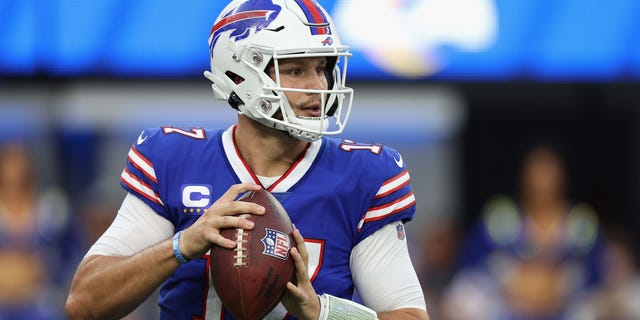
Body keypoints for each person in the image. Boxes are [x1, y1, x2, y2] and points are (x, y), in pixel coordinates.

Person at [65, 0, 429, 319]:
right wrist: (183, 245)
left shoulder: (363, 176)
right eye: (296, 70)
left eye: (322, 68)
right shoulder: (173, 160)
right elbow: (84, 303)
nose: (319, 86)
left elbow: (409, 316)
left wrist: (322, 314)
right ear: (241, 74)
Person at [441, 140, 605, 320]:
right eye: (536, 170)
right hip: (508, 305)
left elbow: (595, 274)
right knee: (462, 296)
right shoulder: (502, 217)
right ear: (523, 176)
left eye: (548, 171)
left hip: (564, 306)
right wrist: (514, 280)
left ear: (563, 176)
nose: (542, 180)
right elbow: (471, 264)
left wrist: (555, 286)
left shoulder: (580, 223)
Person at [0, 141, 80, 320]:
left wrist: (46, 268)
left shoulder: (53, 212)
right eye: (8, 183)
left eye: (20, 182)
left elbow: (74, 258)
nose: (14, 188)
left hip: (40, 300)